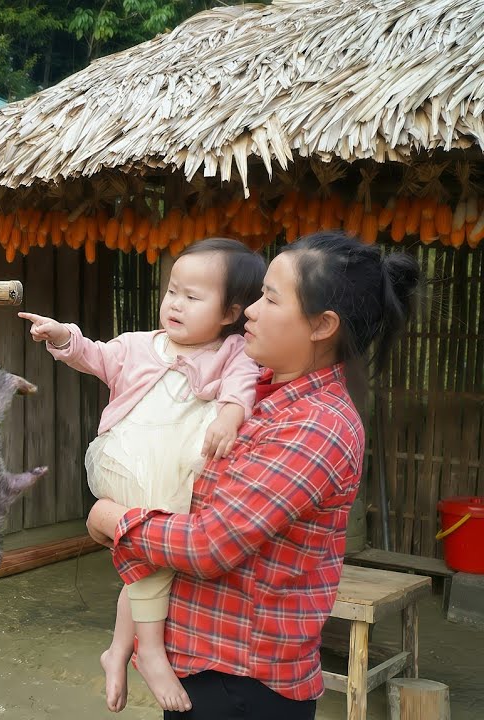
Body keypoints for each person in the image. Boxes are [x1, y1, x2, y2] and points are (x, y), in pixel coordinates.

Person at [86, 230, 421, 719]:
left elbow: (209, 544)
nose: (250, 312)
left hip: (243, 685)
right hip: (205, 666)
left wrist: (111, 516)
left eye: (269, 298)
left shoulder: (316, 426)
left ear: (321, 325)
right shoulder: (250, 394)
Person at [19, 238, 266, 713]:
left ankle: (118, 650)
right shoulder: (136, 346)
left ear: (232, 311)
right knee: (157, 551)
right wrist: (61, 336)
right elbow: (93, 355)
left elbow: (242, 388)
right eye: (173, 291)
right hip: (130, 462)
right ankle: (149, 652)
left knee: (146, 556)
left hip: (180, 471)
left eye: (193, 298)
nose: (175, 303)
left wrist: (230, 417)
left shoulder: (233, 351)